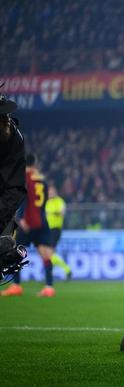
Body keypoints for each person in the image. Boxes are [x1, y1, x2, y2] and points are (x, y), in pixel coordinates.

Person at [2, 154, 56, 297]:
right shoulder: (42, 180)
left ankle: (16, 286)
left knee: (15, 252)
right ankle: (49, 287)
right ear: (35, 163)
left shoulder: (25, 178)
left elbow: (23, 197)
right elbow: (43, 203)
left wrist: (21, 218)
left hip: (28, 221)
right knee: (46, 254)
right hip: (42, 221)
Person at [0, 89, 26, 236]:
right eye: (2, 116)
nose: (7, 119)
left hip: (4, 206)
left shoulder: (15, 138)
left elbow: (15, 187)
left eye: (7, 115)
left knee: (5, 246)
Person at [45, 184, 72, 280]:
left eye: (52, 191)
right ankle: (60, 271)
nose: (50, 193)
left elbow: (62, 213)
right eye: (49, 192)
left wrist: (52, 213)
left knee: (49, 253)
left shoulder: (60, 201)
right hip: (47, 230)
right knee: (48, 254)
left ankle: (66, 269)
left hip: (55, 229)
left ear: (55, 192)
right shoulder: (46, 202)